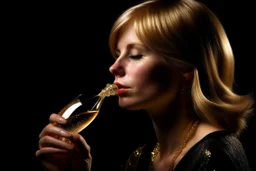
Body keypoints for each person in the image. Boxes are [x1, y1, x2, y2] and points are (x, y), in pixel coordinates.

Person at [35, 0, 255, 170]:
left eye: (136, 55)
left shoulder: (219, 153)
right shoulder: (139, 158)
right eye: (118, 54)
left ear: (187, 67)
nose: (114, 67)